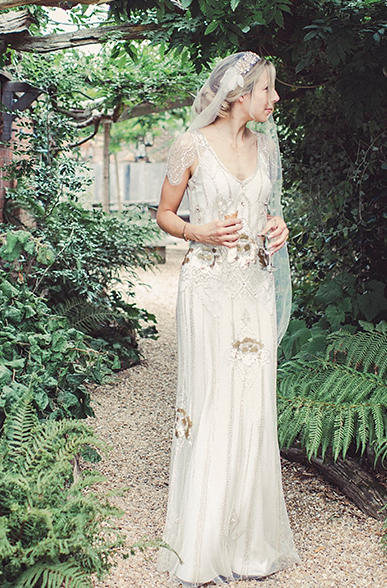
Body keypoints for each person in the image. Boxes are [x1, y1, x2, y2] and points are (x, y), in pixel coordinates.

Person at [155, 51, 299, 585]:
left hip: (255, 288)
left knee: (254, 405)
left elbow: (273, 212)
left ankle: (248, 544)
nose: (275, 98)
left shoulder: (266, 146)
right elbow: (165, 213)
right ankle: (204, 542)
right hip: (208, 288)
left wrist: (279, 230)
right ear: (239, 95)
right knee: (212, 401)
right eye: (268, 90)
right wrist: (199, 232)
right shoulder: (190, 144)